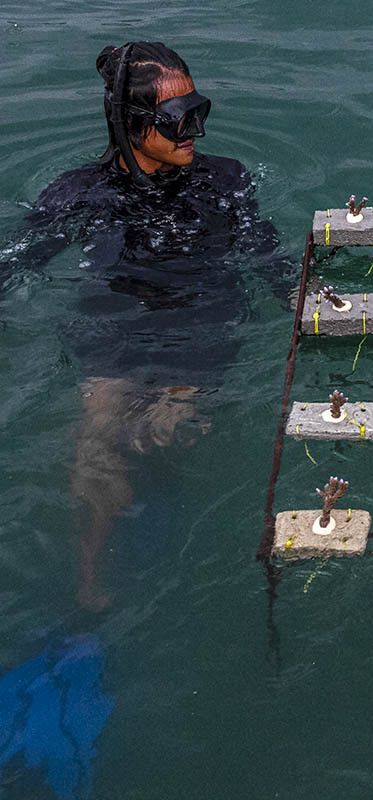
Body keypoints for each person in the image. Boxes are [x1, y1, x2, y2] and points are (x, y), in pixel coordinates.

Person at [0, 42, 290, 609]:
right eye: (178, 120)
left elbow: (269, 262)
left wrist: (314, 312)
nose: (194, 132)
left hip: (199, 334)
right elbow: (17, 264)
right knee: (96, 441)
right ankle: (91, 580)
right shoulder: (81, 192)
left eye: (199, 112)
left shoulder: (227, 181)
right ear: (132, 125)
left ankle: (164, 512)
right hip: (112, 335)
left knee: (168, 428)